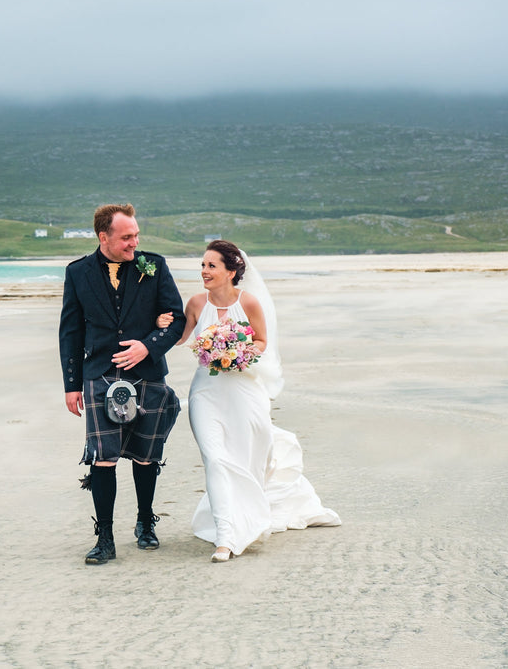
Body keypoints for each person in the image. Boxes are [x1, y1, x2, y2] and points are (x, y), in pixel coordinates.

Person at [157, 239, 340, 563]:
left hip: (244, 392)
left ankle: (250, 514)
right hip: (206, 393)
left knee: (245, 460)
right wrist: (161, 325)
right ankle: (226, 538)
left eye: (211, 266)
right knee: (215, 458)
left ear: (231, 271)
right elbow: (181, 338)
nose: (204, 271)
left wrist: (238, 351)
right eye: (202, 265)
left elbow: (262, 342)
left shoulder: (250, 303)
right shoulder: (197, 303)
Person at [59, 203, 185, 565]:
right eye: (127, 237)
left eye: (136, 235)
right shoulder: (78, 272)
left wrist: (148, 345)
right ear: (104, 237)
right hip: (99, 374)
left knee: (146, 457)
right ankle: (105, 538)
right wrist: (71, 384)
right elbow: (71, 330)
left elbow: (175, 319)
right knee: (103, 459)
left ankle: (145, 523)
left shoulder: (155, 266)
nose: (135, 243)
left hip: (148, 374)